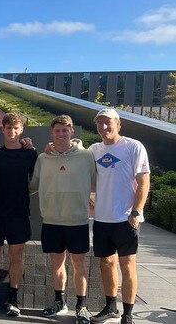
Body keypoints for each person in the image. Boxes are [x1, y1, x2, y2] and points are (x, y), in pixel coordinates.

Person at [30, 115, 96, 324]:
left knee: (79, 264)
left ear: (72, 132)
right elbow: (32, 185)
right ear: (52, 133)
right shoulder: (43, 158)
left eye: (65, 130)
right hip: (52, 220)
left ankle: (81, 306)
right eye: (57, 131)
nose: (61, 134)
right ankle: (60, 302)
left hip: (77, 221)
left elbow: (95, 184)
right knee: (56, 262)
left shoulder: (86, 156)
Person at [89, 108, 150, 324]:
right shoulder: (94, 150)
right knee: (106, 263)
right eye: (100, 123)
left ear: (118, 123)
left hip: (125, 218)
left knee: (127, 264)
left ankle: (128, 314)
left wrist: (136, 212)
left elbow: (144, 181)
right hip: (102, 218)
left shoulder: (133, 147)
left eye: (108, 122)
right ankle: (110, 307)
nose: (104, 127)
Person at [0, 113, 37, 317]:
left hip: (19, 213)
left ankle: (13, 298)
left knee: (16, 255)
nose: (12, 132)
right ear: (2, 130)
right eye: (8, 128)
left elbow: (39, 178)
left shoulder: (30, 154)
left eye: (16, 128)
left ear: (21, 130)